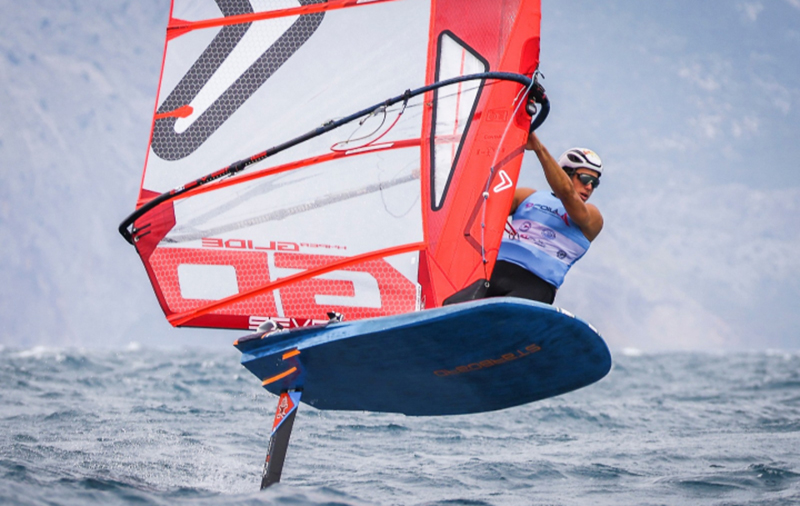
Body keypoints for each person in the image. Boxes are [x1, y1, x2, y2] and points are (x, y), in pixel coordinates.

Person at [444, 131, 604, 306]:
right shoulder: (527, 196)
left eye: (594, 183)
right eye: (585, 179)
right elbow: (478, 206)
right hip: (494, 273)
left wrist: (538, 149)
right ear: (565, 173)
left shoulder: (593, 217)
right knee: (450, 305)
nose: (589, 187)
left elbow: (567, 194)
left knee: (500, 315)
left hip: (537, 285)